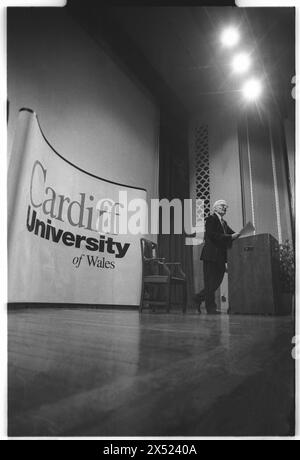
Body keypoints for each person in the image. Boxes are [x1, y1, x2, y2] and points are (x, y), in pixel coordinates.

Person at [194, 200, 240, 314]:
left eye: (226, 206)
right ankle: (211, 308)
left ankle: (198, 298)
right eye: (222, 206)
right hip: (210, 255)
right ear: (215, 208)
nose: (225, 207)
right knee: (210, 282)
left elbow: (231, 234)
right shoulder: (211, 219)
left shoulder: (224, 223)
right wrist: (230, 237)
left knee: (217, 281)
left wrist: (239, 234)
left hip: (220, 257)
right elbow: (212, 235)